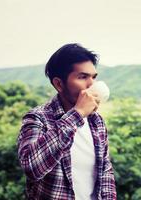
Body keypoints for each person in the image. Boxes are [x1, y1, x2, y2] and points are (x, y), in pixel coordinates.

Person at [17, 43, 117, 200]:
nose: (92, 84)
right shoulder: (38, 118)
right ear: (58, 84)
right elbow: (31, 167)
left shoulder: (96, 121)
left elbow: (105, 171)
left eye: (93, 77)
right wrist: (77, 114)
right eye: (83, 77)